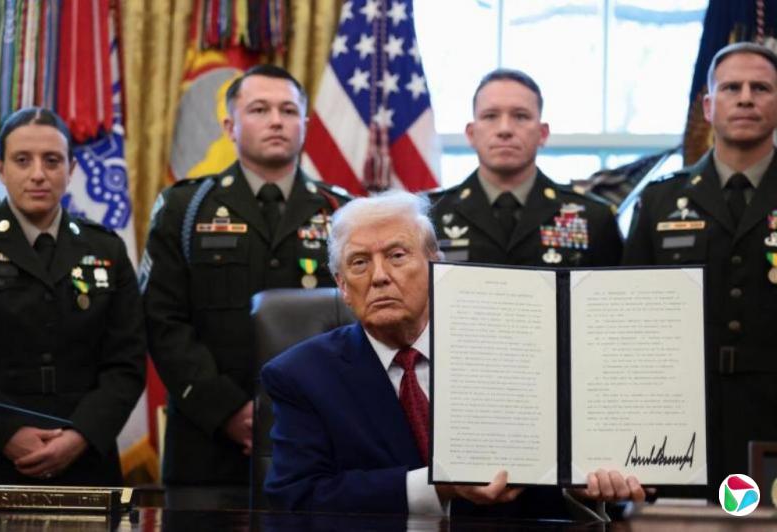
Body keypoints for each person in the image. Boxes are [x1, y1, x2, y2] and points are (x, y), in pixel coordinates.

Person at [262, 191, 644, 516]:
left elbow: (543, 480)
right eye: (359, 262)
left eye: (397, 255)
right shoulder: (301, 376)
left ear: (436, 264)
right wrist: (438, 486)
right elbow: (294, 498)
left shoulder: (514, 355)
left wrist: (581, 489)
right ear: (343, 286)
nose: (379, 276)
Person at [141, 64, 349, 489]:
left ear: (305, 125)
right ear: (229, 127)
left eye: (288, 111)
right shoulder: (185, 208)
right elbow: (162, 321)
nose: (276, 121)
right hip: (207, 441)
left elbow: (359, 323)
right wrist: (226, 411)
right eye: (259, 109)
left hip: (319, 438)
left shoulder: (343, 213)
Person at [624, 41, 777, 494]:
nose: (745, 98)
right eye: (731, 88)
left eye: (760, 88)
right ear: (708, 107)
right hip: (681, 417)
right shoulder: (660, 200)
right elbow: (630, 321)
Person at [0, 107, 146, 485]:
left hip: (85, 462)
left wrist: (80, 435)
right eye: (23, 160)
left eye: (52, 160)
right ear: (1, 169)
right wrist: (4, 433)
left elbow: (126, 364)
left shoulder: (106, 248)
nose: (38, 173)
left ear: (71, 169)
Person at [429, 69, 622, 267]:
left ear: (542, 133)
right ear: (471, 134)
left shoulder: (594, 218)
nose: (505, 129)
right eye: (490, 116)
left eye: (520, 116)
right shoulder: (430, 215)